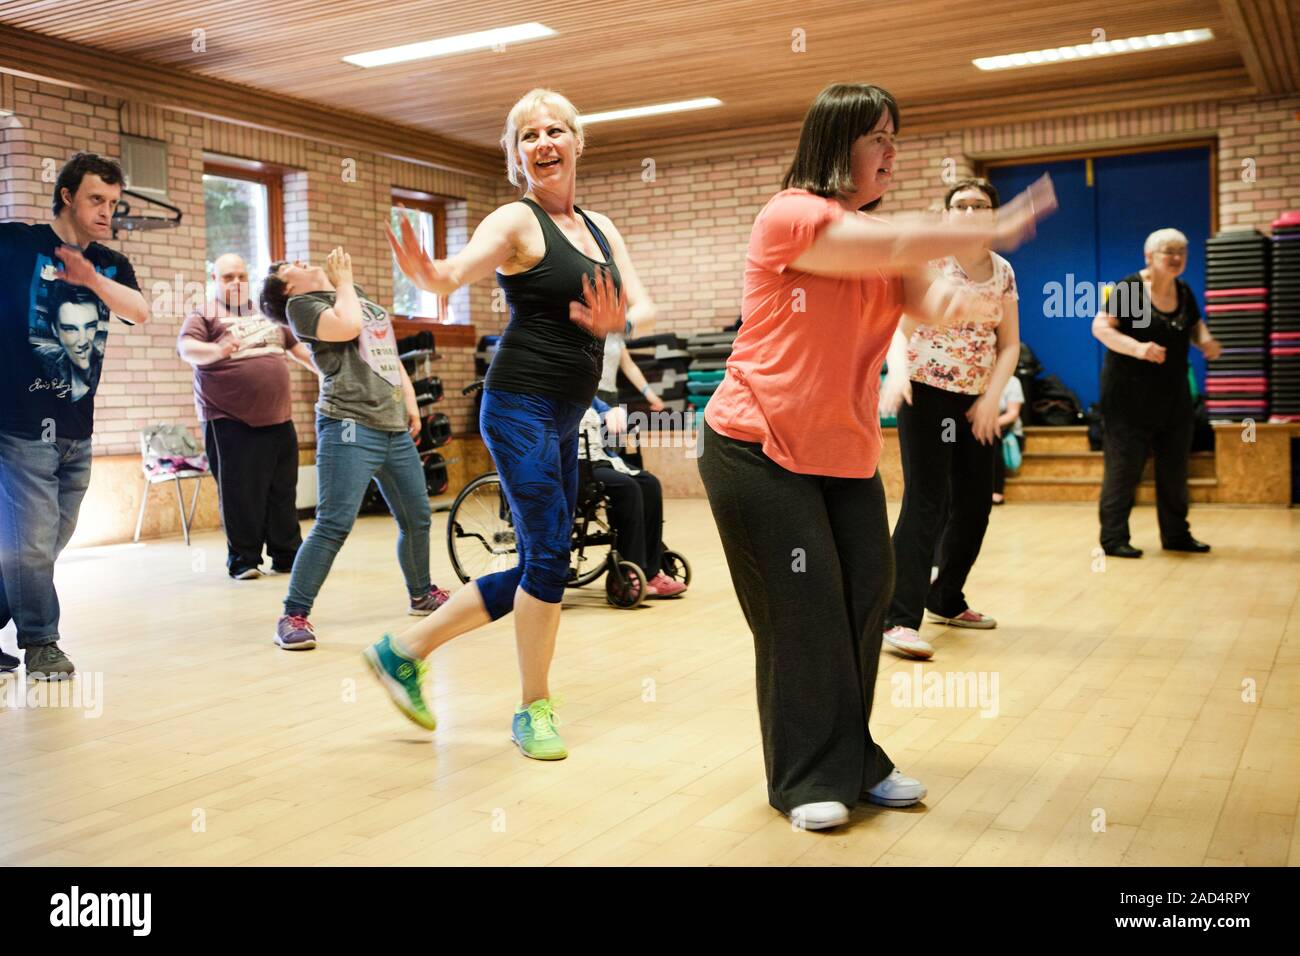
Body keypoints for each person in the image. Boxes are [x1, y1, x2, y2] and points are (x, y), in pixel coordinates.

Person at [696, 83, 1055, 830]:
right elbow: (886, 250)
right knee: (804, 608)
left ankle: (855, 760)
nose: (893, 152)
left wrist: (981, 305)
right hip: (755, 445)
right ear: (837, 144)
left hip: (841, 453)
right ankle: (803, 778)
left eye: (896, 138)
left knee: (867, 596)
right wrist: (989, 223)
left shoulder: (879, 233)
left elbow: (934, 302)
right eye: (879, 138)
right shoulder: (791, 215)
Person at [366, 88, 656, 761]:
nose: (544, 142)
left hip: (567, 410)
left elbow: (639, 300)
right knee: (552, 553)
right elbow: (453, 273)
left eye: (556, 130)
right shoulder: (513, 221)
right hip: (518, 405)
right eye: (529, 135)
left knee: (538, 562)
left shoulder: (602, 227)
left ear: (578, 142)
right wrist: (428, 274)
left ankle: (402, 650)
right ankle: (533, 708)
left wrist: (624, 323)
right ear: (516, 154)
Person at [0, 152, 150, 679]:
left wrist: (91, 280)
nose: (107, 210)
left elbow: (138, 311)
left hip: (75, 429)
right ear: (66, 195)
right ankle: (41, 643)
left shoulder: (110, 264)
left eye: (113, 202)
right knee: (33, 541)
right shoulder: (16, 243)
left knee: (44, 541)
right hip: (18, 425)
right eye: (96, 199)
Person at [258, 247, 449, 649]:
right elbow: (345, 328)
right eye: (287, 267)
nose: (299, 259)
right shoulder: (302, 306)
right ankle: (293, 614)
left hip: (392, 424)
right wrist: (343, 282)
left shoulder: (352, 292)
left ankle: (421, 594)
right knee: (334, 523)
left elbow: (386, 354)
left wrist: (409, 401)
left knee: (417, 516)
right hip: (348, 425)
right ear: (288, 286)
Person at [879, 177, 1022, 660]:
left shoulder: (1002, 271)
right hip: (925, 393)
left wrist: (992, 399)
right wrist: (896, 375)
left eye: (978, 204)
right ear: (947, 214)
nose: (967, 211)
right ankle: (898, 617)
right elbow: (899, 332)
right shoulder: (931, 263)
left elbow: (1010, 344)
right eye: (958, 205)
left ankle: (946, 596)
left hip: (976, 400)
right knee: (927, 501)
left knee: (977, 503)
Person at [179, 253, 318, 579]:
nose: (237, 282)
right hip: (228, 419)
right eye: (229, 277)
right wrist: (217, 351)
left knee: (282, 490)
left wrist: (328, 372)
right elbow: (186, 348)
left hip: (279, 417)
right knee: (240, 493)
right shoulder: (205, 314)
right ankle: (243, 560)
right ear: (215, 280)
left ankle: (286, 555)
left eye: (242, 276)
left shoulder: (268, 312)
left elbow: (296, 349)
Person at [1093, 228, 1221, 557]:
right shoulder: (1130, 289)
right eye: (1169, 251)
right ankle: (1114, 538)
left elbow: (1193, 324)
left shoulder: (1183, 289)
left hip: (1173, 396)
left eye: (1182, 251)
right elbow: (1101, 327)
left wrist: (1204, 341)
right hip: (1127, 398)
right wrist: (1137, 348)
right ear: (1149, 256)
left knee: (1175, 471)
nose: (1177, 257)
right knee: (1124, 471)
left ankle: (1177, 534)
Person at [579, 397, 685, 597]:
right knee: (628, 487)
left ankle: (651, 572)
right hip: (572, 464)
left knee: (650, 484)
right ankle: (628, 572)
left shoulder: (586, 391)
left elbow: (608, 410)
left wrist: (615, 413)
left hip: (602, 460)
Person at [992, 374, 1025, 504]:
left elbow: (1013, 414)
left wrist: (988, 423)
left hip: (1007, 431)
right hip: (975, 427)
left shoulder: (1012, 381)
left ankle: (996, 491)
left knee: (990, 435)